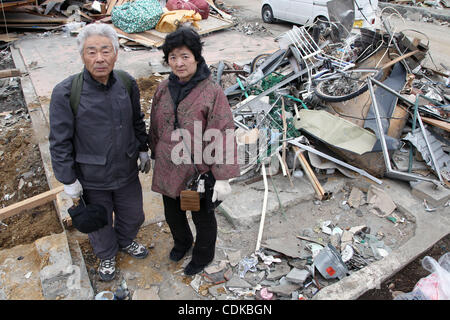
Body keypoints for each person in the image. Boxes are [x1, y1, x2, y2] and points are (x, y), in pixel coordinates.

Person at [49, 23, 151, 282]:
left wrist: (142, 148)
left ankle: (125, 241)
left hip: (126, 170)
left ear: (116, 53)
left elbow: (136, 120)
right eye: (91, 52)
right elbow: (59, 140)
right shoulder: (66, 92)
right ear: (82, 56)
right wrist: (68, 180)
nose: (99, 58)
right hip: (91, 176)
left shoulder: (127, 83)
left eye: (106, 51)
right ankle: (106, 254)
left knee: (134, 215)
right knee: (99, 221)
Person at [148, 27, 240, 276]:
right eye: (173, 57)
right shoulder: (163, 89)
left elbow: (222, 132)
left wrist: (222, 177)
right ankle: (182, 243)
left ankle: (202, 256)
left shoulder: (212, 92)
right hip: (168, 167)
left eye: (185, 56)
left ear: (197, 57)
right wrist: (151, 151)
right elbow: (155, 124)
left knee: (202, 218)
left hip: (198, 172)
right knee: (173, 214)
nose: (179, 63)